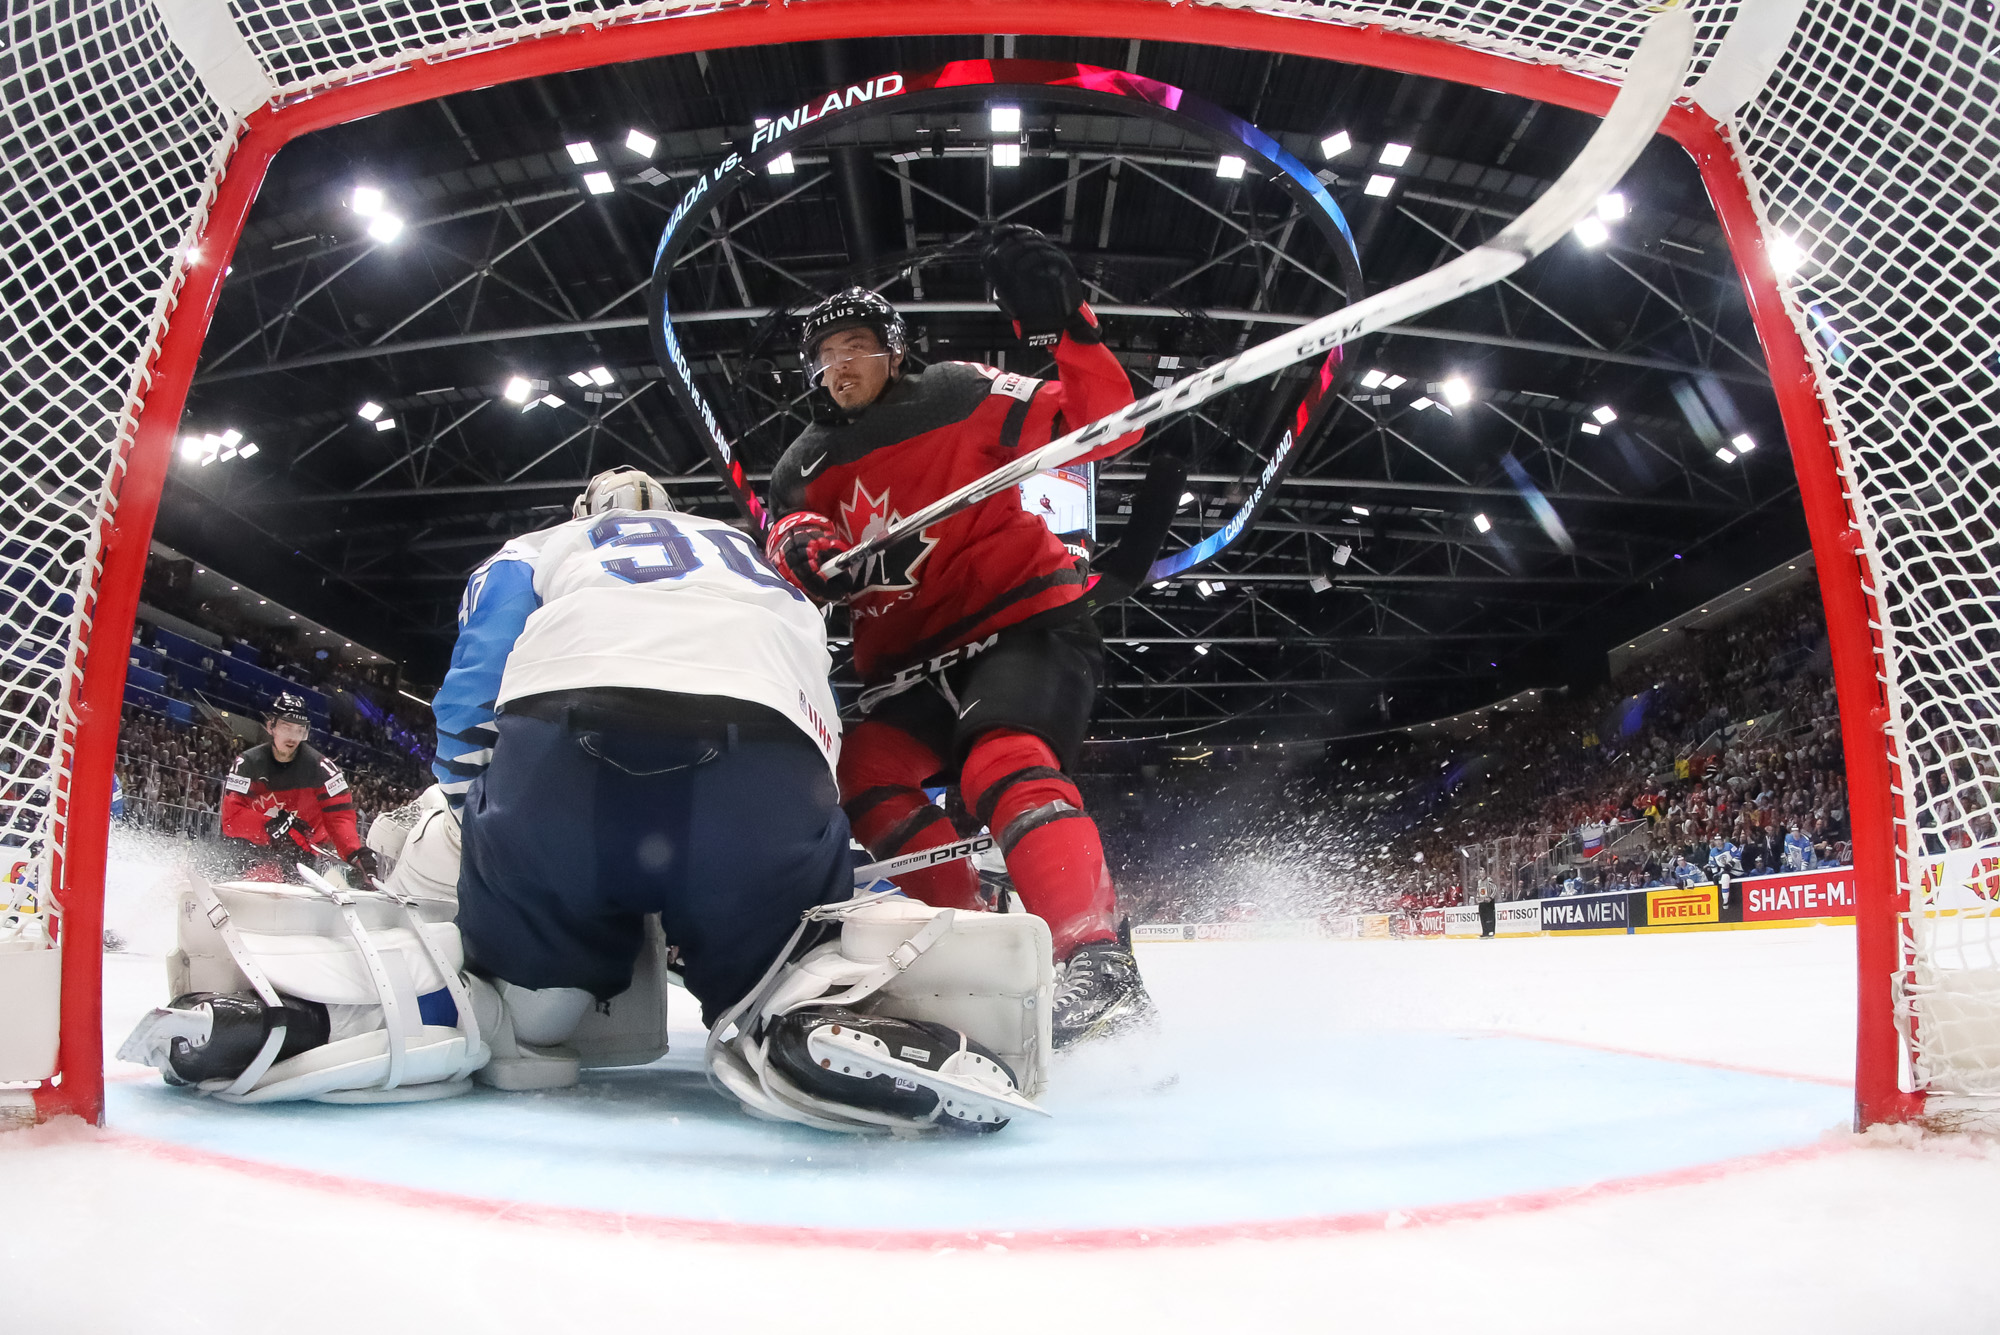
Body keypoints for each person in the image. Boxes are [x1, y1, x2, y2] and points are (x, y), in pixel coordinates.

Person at [761, 226, 1153, 1048]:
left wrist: (1070, 330)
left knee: (1001, 758)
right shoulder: (802, 461)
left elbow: (1108, 429)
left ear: (895, 353)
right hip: (908, 671)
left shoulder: (960, 391)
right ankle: (979, 934)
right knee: (860, 776)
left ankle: (1098, 960)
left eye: (858, 346)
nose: (840, 366)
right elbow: (789, 534)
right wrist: (802, 549)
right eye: (826, 354)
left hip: (1023, 627)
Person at [218, 692, 372, 881]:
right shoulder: (246, 764)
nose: (292, 737)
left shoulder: (323, 770)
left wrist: (356, 853)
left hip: (300, 855)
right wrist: (268, 824)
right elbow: (230, 819)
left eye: (299, 730)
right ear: (270, 726)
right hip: (250, 849)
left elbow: (339, 818)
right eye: (286, 727)